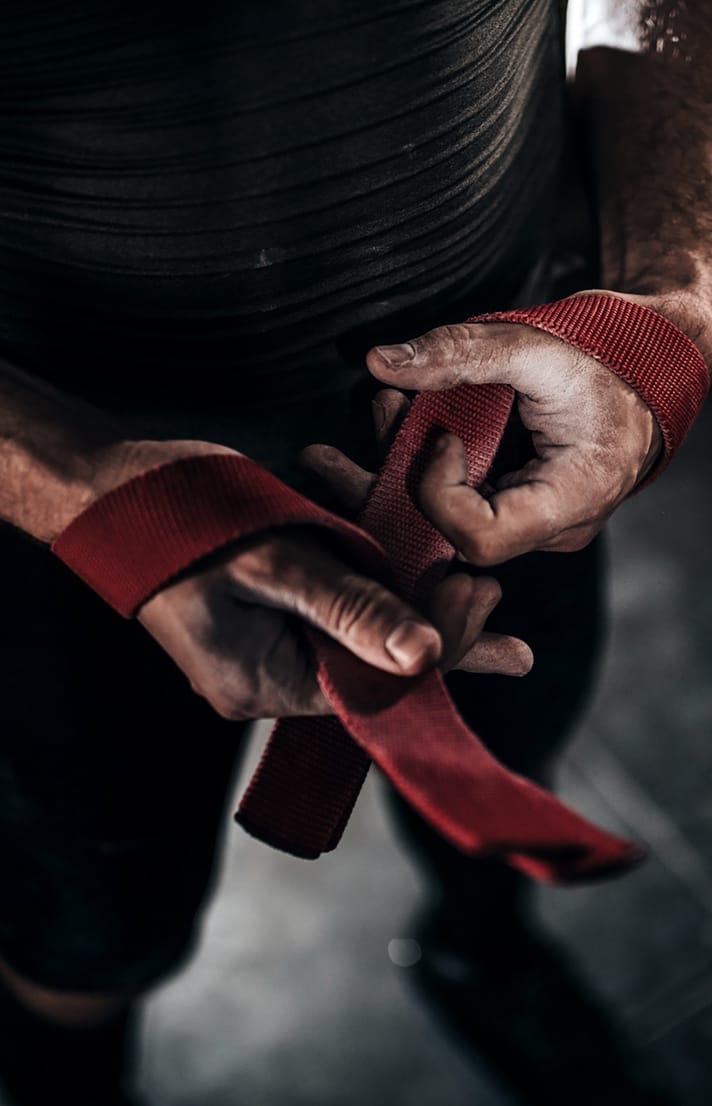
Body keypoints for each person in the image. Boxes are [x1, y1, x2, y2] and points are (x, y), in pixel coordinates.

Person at [0, 2, 709, 1103]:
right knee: (88, 925)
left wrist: (668, 303)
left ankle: (481, 948)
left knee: (510, 750)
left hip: (508, 422)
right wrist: (69, 483)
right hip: (67, 507)